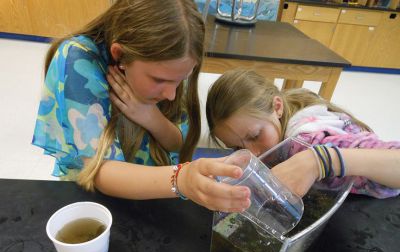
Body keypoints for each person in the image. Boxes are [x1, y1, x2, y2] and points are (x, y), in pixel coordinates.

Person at [32, 0, 251, 213]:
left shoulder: (172, 63)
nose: (171, 94)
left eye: (181, 79)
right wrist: (181, 179)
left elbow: (177, 142)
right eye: (159, 80)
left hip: (153, 195)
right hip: (96, 203)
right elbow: (100, 170)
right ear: (120, 55)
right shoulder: (77, 59)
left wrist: (150, 117)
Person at [206, 69, 400, 199]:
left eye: (255, 136)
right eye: (238, 147)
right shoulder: (285, 107)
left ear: (277, 107)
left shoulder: (307, 140)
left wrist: (320, 160)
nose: (253, 153)